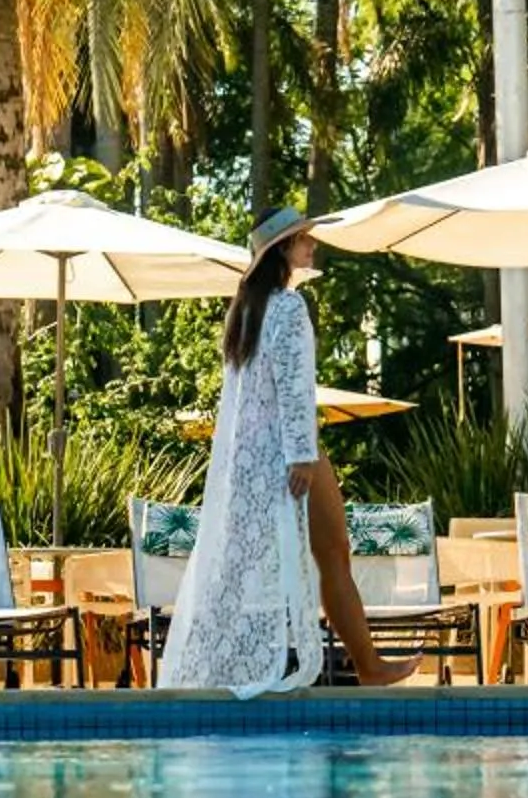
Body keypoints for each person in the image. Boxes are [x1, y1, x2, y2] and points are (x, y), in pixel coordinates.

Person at [157, 208, 418, 694]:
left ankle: (366, 664)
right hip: (292, 453)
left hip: (254, 459)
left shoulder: (246, 311)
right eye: (303, 239)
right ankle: (367, 666)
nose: (312, 246)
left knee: (285, 557)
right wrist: (301, 454)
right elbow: (295, 386)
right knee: (333, 552)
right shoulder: (288, 308)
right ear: (282, 249)